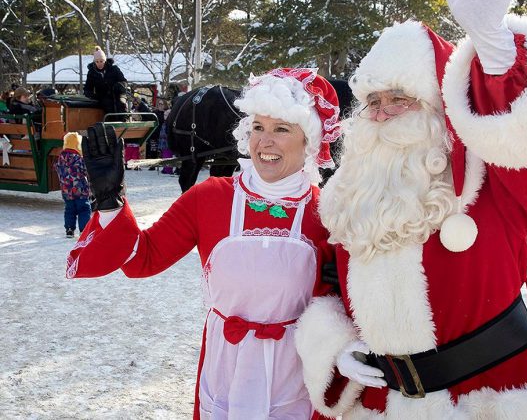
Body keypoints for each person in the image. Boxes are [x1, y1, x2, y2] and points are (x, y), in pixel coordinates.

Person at [294, 0, 527, 418]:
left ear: (436, 110)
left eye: (400, 100)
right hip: (379, 404)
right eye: (373, 102)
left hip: (486, 400)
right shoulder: (347, 196)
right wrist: (335, 346)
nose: (381, 114)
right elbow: (325, 284)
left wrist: (493, 46)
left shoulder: (492, 187)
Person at [66, 68, 341, 419]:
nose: (264, 141)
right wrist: (109, 201)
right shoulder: (210, 197)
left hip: (299, 379)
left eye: (281, 129)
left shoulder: (331, 214)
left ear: (310, 141)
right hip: (225, 371)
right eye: (258, 127)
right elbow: (142, 260)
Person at [54, 132, 91, 238]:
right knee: (84, 209)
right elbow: (86, 171)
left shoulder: (60, 159)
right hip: (80, 190)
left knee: (69, 209)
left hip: (66, 190)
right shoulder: (79, 159)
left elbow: (57, 169)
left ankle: (69, 229)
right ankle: (84, 230)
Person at [83, 46, 128, 114]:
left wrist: (119, 85)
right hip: (103, 98)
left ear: (105, 61)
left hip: (117, 95)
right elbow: (88, 88)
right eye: (97, 62)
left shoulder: (114, 69)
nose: (99, 64)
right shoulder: (92, 73)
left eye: (101, 61)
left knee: (121, 105)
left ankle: (123, 118)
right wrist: (93, 95)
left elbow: (124, 81)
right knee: (107, 105)